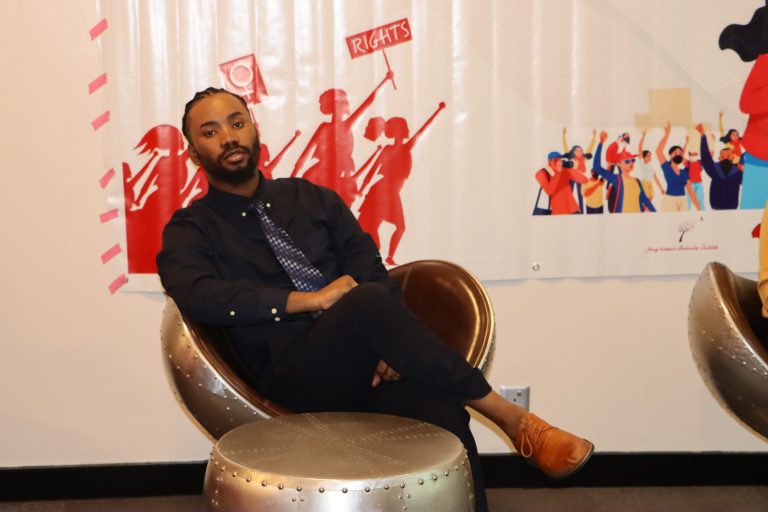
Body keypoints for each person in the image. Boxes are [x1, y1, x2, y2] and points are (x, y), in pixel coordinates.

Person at [157, 88, 594, 512]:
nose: (228, 137)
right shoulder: (191, 228)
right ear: (193, 153)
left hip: (365, 369)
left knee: (442, 411)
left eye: (237, 123)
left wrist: (390, 345)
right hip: (287, 381)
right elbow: (198, 295)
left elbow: (372, 272)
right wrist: (308, 301)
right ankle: (510, 417)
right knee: (364, 301)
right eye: (210, 132)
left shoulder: (312, 199)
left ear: (255, 130)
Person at [594, 131, 655, 213]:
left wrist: (656, 214)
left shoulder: (637, 181)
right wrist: (601, 143)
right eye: (627, 161)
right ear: (620, 164)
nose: (631, 163)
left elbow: (646, 201)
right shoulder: (616, 179)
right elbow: (597, 167)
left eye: (632, 160)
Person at [655, 123, 703, 213]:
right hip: (669, 200)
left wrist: (699, 209)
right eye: (676, 152)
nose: (678, 155)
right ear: (670, 155)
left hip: (683, 200)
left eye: (680, 153)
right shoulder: (666, 167)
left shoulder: (684, 173)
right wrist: (667, 134)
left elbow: (691, 192)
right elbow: (658, 151)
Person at [696, 123, 743, 210]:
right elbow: (705, 157)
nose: (725, 158)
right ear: (719, 158)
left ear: (732, 157)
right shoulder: (714, 169)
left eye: (728, 156)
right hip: (716, 207)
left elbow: (748, 181)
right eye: (723, 156)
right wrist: (703, 136)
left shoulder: (738, 171)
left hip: (731, 207)